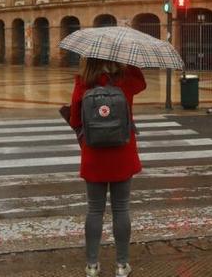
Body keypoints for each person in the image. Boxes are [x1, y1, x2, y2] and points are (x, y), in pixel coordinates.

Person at [69, 58, 146, 277]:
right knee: (121, 209)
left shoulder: (83, 83)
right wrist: (129, 61)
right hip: (122, 153)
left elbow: (76, 120)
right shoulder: (125, 80)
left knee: (94, 210)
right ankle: (122, 266)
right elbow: (142, 83)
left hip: (94, 155)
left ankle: (92, 266)